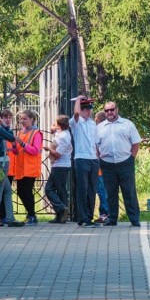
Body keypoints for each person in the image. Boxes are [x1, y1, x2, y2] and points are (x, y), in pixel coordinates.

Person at [96, 101, 142, 227]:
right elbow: (96, 145)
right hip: (107, 164)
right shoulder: (100, 127)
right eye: (107, 110)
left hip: (125, 162)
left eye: (112, 109)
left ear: (117, 109)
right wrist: (99, 159)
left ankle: (134, 219)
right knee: (110, 193)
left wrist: (131, 158)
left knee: (129, 192)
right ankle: (112, 219)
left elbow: (136, 143)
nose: (109, 112)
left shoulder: (127, 124)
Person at [70, 96, 100, 227]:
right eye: (85, 109)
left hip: (93, 158)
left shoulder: (93, 123)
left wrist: (98, 156)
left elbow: (96, 142)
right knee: (82, 188)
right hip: (81, 158)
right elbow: (76, 113)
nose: (88, 111)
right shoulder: (76, 122)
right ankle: (82, 217)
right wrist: (78, 100)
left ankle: (89, 216)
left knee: (92, 189)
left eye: (89, 108)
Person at [12, 110, 43, 224]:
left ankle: (32, 215)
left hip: (30, 167)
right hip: (21, 167)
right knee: (20, 191)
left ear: (32, 119)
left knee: (27, 191)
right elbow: (17, 151)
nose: (22, 121)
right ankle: (30, 214)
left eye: (25, 118)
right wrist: (15, 146)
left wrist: (22, 144)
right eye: (21, 118)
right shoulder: (21, 132)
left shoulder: (36, 133)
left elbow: (35, 150)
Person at [45, 115, 72, 224]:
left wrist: (48, 148)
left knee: (49, 189)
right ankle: (60, 216)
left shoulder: (64, 137)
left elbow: (58, 154)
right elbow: (55, 133)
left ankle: (61, 208)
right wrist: (54, 130)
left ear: (59, 126)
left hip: (61, 165)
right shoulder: (61, 134)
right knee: (60, 190)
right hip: (58, 165)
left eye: (55, 123)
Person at [94, 110, 110, 224]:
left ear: (97, 120)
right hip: (108, 164)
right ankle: (107, 212)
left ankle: (105, 213)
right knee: (106, 190)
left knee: (102, 190)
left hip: (100, 165)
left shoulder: (98, 131)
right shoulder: (108, 131)